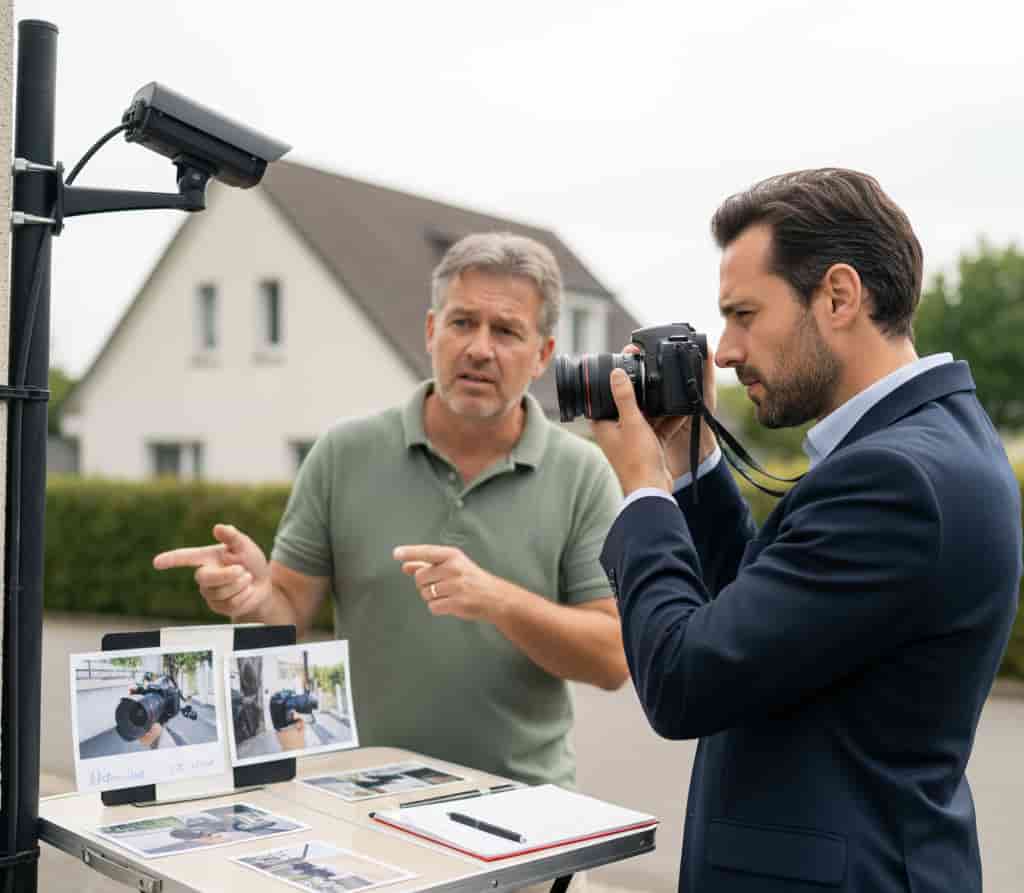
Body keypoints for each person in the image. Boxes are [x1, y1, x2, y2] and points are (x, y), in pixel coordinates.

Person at [592, 169, 1022, 892]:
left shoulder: (894, 478)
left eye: (744, 314)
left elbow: (685, 678)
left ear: (839, 296)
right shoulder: (933, 441)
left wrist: (643, 490)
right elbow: (761, 625)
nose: (725, 352)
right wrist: (692, 461)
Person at [154, 232, 628, 794]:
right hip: (363, 797)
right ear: (431, 330)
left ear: (543, 355)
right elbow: (285, 616)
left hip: (521, 803)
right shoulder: (344, 453)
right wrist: (254, 598)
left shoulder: (584, 473)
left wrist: (497, 600)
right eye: (462, 322)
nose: (480, 348)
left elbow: (612, 659)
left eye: (506, 331)